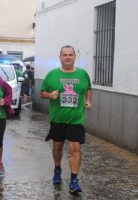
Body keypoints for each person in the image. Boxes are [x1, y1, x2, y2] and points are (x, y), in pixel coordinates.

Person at [40, 45, 92, 194]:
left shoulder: (83, 74)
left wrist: (88, 101)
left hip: (76, 119)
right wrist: (49, 95)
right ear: (60, 57)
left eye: (70, 54)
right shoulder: (52, 75)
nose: (68, 57)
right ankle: (57, 169)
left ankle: (74, 180)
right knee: (57, 147)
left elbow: (88, 88)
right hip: (58, 119)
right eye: (65, 55)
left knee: (75, 148)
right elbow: (42, 92)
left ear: (75, 57)